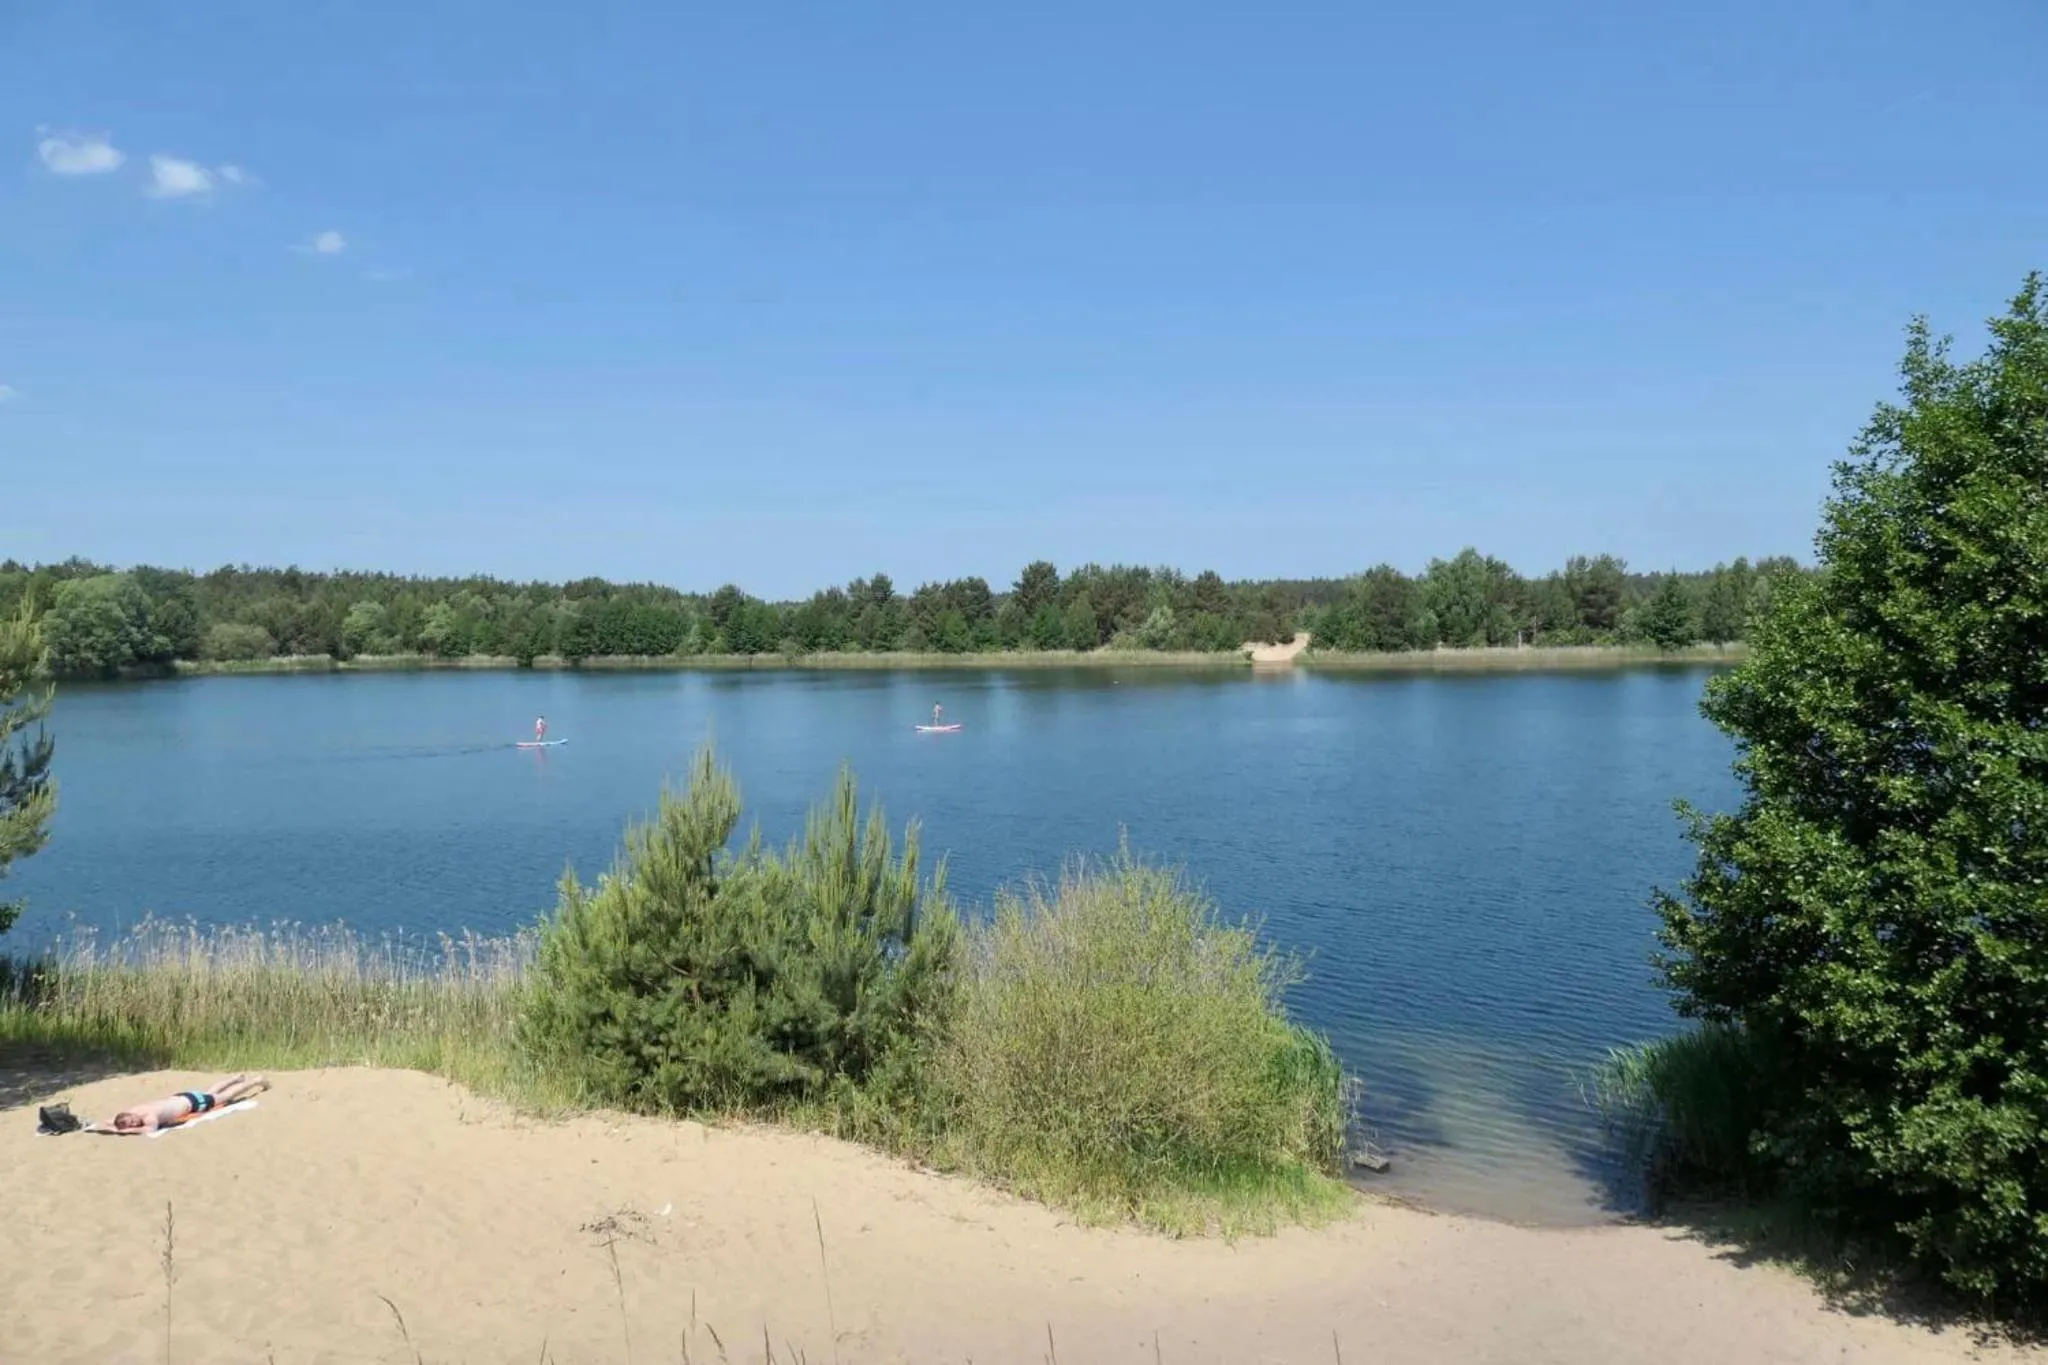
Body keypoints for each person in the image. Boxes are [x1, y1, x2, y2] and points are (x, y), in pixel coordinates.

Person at [88, 1073, 270, 1135]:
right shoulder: (133, 1111)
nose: (134, 1123)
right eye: (130, 1124)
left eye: (131, 1122)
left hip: (192, 1103)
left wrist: (124, 1130)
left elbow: (150, 1130)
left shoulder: (150, 1118)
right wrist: (103, 1126)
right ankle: (235, 1077)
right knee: (210, 1092)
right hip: (182, 1097)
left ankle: (254, 1082)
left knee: (226, 1097)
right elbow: (112, 1120)